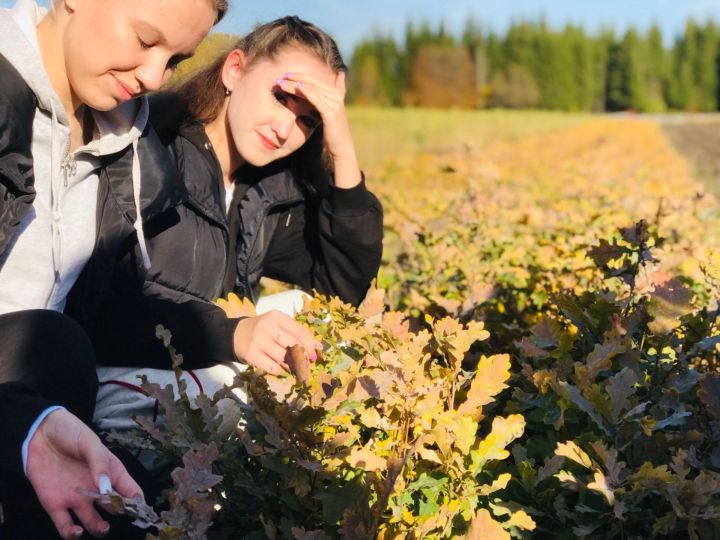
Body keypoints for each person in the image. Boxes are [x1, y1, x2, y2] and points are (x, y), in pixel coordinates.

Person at [66, 17, 383, 432]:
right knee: (252, 401)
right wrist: (232, 336)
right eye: (282, 98)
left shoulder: (267, 188)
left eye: (309, 120)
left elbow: (343, 290)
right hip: (115, 383)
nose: (286, 128)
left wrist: (340, 145)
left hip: (199, 371)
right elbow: (96, 314)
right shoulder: (153, 149)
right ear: (235, 69)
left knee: (320, 325)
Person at [0, 0, 225, 537]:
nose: (153, 76)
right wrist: (22, 427)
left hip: (39, 421)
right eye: (146, 40)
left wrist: (233, 334)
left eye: (175, 60)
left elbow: (107, 312)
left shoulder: (125, 147)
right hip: (26, 414)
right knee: (52, 343)